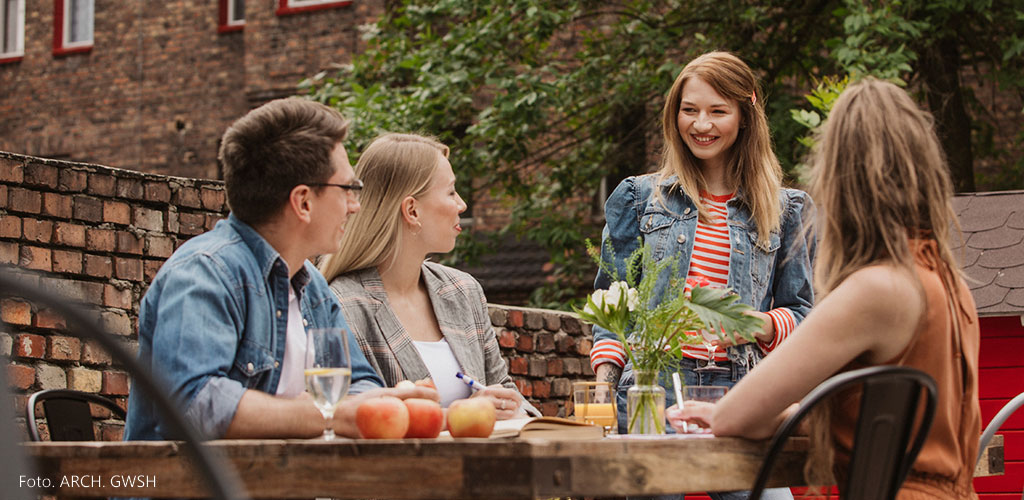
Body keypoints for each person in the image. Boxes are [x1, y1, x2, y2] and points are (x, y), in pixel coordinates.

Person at [669, 78, 981, 499]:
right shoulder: (949, 283)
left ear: (841, 179)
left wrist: (729, 411)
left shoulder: (875, 290)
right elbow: (885, 420)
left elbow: (738, 421)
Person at [125, 99, 436, 441]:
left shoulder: (311, 286)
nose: (355, 205)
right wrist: (324, 414)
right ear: (303, 202)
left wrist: (388, 401)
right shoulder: (204, 274)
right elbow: (193, 404)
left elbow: (360, 384)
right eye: (348, 189)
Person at [590, 51, 814, 500]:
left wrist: (759, 323)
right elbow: (613, 306)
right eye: (689, 110)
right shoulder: (638, 198)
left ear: (745, 116)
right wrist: (602, 389)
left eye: (717, 111)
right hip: (651, 390)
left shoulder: (786, 209)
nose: (701, 124)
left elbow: (804, 312)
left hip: (744, 392)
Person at [320, 133, 524, 419]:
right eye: (451, 192)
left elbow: (505, 391)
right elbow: (354, 416)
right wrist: (462, 413)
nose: (462, 204)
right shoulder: (344, 304)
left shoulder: (462, 290)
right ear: (412, 210)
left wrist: (508, 405)